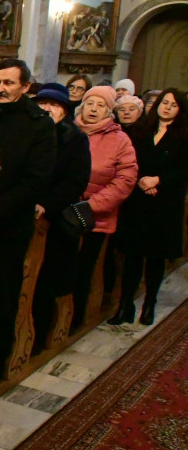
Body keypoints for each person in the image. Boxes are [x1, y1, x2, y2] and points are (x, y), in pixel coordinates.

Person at [0, 58, 56, 397]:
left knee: (2, 295)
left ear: (25, 87)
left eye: (9, 83)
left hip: (9, 223)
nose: (1, 89)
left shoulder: (39, 124)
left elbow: (36, 180)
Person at [111, 89, 188, 326]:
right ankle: (125, 305)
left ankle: (149, 303)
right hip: (138, 200)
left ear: (180, 110)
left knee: (155, 257)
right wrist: (143, 179)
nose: (167, 108)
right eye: (164, 103)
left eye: (173, 105)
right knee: (132, 256)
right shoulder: (140, 130)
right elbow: (129, 161)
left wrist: (159, 180)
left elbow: (184, 169)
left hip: (165, 203)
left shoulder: (184, 135)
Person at [68, 86, 137, 330]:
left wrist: (90, 206)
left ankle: (75, 319)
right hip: (64, 212)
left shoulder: (120, 140)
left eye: (100, 105)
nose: (94, 109)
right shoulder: (68, 131)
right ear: (82, 106)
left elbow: (125, 180)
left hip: (95, 217)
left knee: (82, 270)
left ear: (109, 111)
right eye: (90, 104)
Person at [29, 83, 91, 353]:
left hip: (53, 221)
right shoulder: (28, 134)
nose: (47, 109)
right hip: (23, 214)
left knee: (45, 284)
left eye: (54, 105)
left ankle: (39, 338)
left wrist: (45, 204)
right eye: (42, 104)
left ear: (65, 112)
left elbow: (75, 180)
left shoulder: (75, 139)